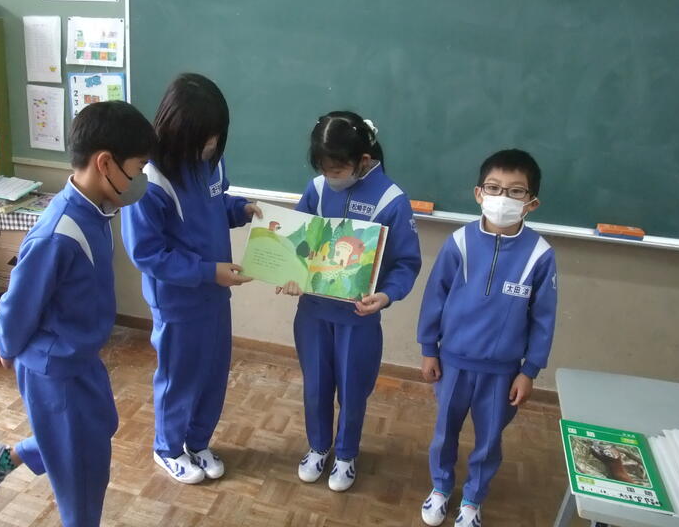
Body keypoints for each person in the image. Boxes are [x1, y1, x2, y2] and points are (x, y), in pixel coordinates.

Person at [0, 101, 156, 527]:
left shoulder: (97, 208)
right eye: (138, 167)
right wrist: (6, 343)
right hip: (54, 367)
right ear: (105, 163)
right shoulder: (59, 232)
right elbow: (20, 299)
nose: (141, 180)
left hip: (79, 356)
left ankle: (6, 458)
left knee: (96, 427)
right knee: (82, 473)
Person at [121, 73, 261, 484]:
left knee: (214, 374)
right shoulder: (149, 182)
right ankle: (168, 448)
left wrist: (240, 210)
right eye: (205, 138)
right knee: (179, 378)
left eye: (217, 137)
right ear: (179, 132)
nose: (212, 146)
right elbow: (147, 254)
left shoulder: (209, 162)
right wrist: (207, 271)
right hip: (178, 303)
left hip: (215, 296)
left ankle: (198, 442)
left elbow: (214, 205)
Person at [280, 111, 421, 492]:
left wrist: (387, 295)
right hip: (313, 313)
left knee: (353, 388)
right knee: (316, 386)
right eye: (324, 168)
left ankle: (345, 454)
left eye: (338, 169)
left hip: (358, 318)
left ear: (363, 160)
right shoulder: (317, 189)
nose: (331, 176)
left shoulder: (392, 200)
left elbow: (406, 263)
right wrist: (288, 272)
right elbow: (297, 241)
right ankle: (318, 447)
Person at [417, 149, 558, 527]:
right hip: (453, 363)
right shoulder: (459, 242)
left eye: (515, 191)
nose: (502, 198)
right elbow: (434, 297)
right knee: (444, 433)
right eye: (494, 188)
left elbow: (543, 319)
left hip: (502, 372)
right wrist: (429, 349)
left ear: (531, 203)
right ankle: (440, 488)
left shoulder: (540, 255)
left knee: (489, 440)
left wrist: (529, 370)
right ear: (479, 194)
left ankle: (472, 500)